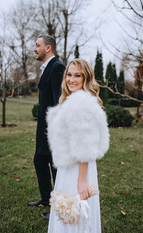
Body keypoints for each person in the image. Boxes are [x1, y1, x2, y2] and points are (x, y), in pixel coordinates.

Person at [46, 58, 109, 232]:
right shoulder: (73, 100)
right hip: (70, 166)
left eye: (77, 76)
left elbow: (85, 146)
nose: (71, 79)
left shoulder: (81, 103)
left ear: (85, 78)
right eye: (69, 74)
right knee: (68, 212)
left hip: (77, 169)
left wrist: (81, 181)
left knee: (74, 213)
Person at [27, 34, 65, 219]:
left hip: (53, 129)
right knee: (39, 160)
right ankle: (45, 197)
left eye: (37, 45)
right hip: (43, 127)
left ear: (47, 48)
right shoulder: (46, 68)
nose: (34, 48)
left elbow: (60, 99)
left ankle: (58, 208)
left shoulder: (57, 67)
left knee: (55, 167)